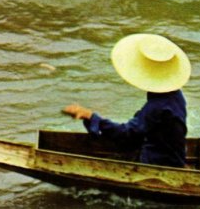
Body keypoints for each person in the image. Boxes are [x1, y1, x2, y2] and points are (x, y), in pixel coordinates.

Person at [62, 33, 191, 168]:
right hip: (173, 156)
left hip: (159, 163)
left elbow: (127, 133)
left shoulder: (157, 106)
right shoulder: (176, 95)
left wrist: (91, 116)